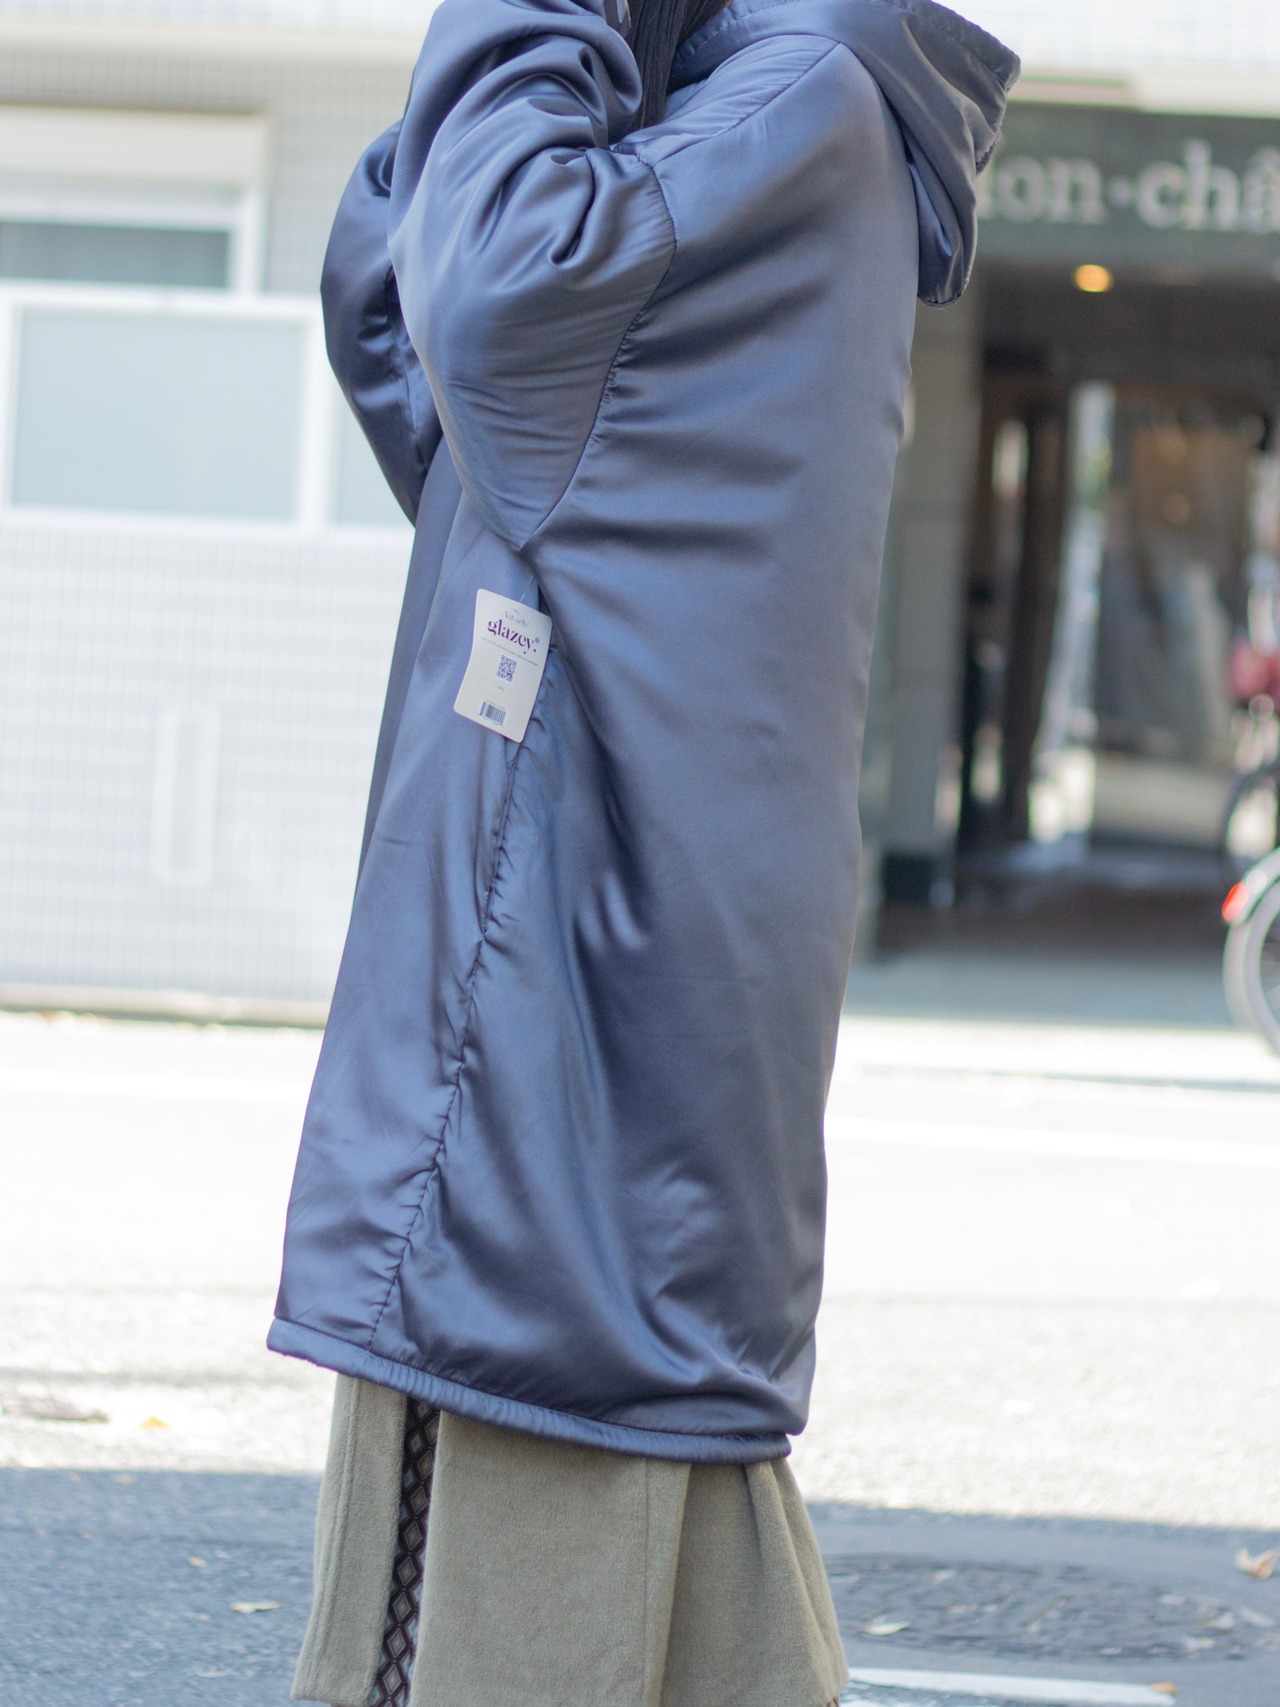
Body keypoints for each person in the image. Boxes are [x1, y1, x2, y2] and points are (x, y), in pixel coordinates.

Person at [270, 0, 1017, 1700]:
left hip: (561, 1006)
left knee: (526, 1571)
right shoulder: (763, 107)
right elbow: (412, 327)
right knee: (666, 1554)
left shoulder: (789, 104)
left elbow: (492, 301)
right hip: (612, 983)